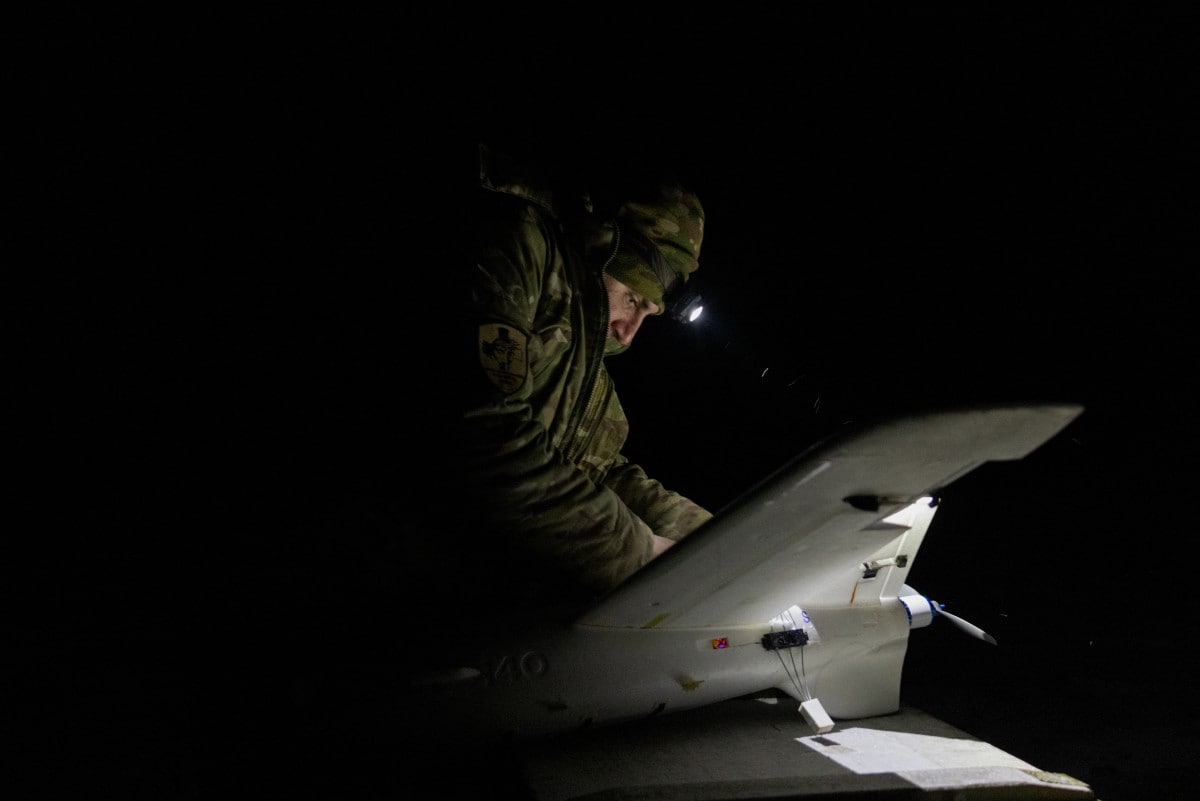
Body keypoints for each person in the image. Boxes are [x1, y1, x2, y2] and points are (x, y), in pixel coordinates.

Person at [449, 142, 714, 609]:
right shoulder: (517, 244)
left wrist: (715, 537)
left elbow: (602, 469)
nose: (629, 335)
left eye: (648, 314)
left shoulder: (586, 357)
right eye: (632, 297)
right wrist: (642, 552)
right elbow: (484, 438)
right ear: (601, 245)